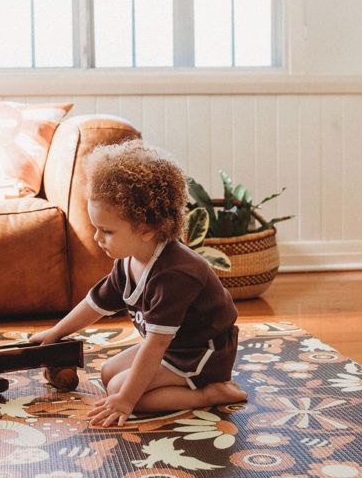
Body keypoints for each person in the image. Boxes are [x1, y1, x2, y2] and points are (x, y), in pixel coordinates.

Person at [29, 139, 246, 427]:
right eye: (96, 229)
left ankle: (208, 393)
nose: (97, 238)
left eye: (106, 231)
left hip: (201, 353)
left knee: (122, 391)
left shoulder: (175, 274)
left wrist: (127, 401)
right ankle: (173, 389)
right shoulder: (128, 260)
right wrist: (55, 333)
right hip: (173, 346)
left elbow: (155, 346)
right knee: (108, 374)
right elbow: (95, 304)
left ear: (145, 229)